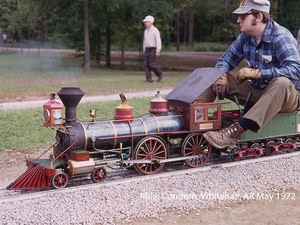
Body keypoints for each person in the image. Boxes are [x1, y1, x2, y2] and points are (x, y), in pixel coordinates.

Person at [203, 0, 300, 149]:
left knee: (282, 82)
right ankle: (194, 125)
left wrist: (259, 73)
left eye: (243, 16)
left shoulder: (280, 36)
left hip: (286, 98)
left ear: (259, 17)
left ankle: (232, 134)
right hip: (257, 92)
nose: (238, 20)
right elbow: (225, 59)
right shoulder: (246, 37)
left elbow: (295, 70)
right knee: (214, 76)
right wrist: (220, 76)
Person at [142, 15, 163, 83]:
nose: (145, 23)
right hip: (147, 49)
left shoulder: (155, 30)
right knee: (145, 65)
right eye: (145, 22)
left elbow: (158, 41)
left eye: (147, 22)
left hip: (153, 49)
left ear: (151, 22)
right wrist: (144, 50)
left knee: (151, 64)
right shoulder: (145, 31)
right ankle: (149, 79)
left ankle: (159, 74)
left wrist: (158, 50)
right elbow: (145, 41)